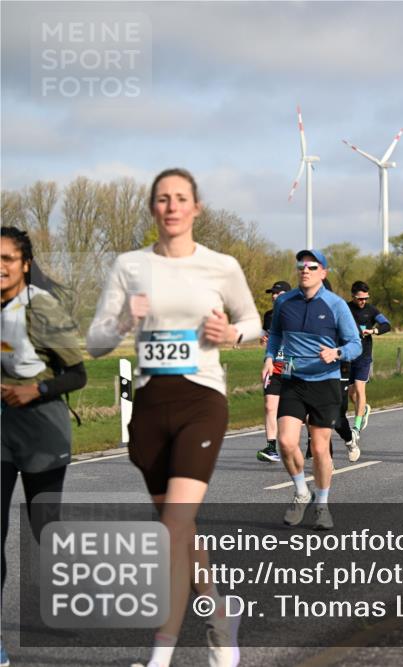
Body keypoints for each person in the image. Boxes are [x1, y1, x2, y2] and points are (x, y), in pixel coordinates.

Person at [87, 169, 261, 667]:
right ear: (152, 208)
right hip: (149, 405)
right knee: (179, 529)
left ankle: (159, 656)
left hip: (201, 400)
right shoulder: (129, 266)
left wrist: (232, 335)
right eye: (162, 199)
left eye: (181, 198)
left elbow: (252, 321)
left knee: (173, 528)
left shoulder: (221, 266)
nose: (172, 207)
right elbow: (96, 342)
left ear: (196, 208)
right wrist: (125, 320)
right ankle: (219, 613)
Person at [2, 227, 88, 667]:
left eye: (7, 258)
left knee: (45, 526)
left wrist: (36, 389)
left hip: (42, 433)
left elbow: (77, 375)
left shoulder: (43, 308)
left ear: (25, 264)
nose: (0, 266)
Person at [262, 249, 361, 532]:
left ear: (323, 272)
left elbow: (354, 344)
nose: (305, 270)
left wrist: (337, 353)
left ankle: (322, 505)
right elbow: (276, 334)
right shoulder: (285, 302)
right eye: (301, 266)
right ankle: (301, 491)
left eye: (312, 266)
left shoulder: (336, 305)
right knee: (285, 442)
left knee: (319, 449)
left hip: (325, 382)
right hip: (293, 381)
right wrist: (269, 357)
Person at [347, 280, 391, 445]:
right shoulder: (345, 308)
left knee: (360, 389)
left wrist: (373, 331)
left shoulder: (371, 310)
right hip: (348, 356)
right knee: (351, 393)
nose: (363, 301)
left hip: (364, 356)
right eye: (360, 298)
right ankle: (364, 409)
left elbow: (387, 324)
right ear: (353, 296)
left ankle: (356, 427)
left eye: (365, 298)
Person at [256, 280, 291, 462]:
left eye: (278, 293)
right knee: (270, 406)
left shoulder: (296, 313)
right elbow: (265, 335)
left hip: (291, 366)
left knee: (298, 410)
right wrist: (263, 339)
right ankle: (271, 447)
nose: (274, 296)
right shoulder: (269, 315)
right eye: (273, 293)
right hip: (272, 365)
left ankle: (312, 441)